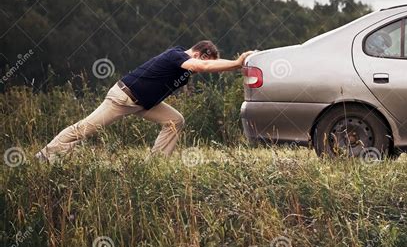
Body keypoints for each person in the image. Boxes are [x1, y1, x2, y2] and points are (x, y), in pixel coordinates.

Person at [36, 40, 254, 163]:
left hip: (143, 103)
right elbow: (201, 67)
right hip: (122, 98)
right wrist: (236, 63)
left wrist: (240, 65)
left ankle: (155, 164)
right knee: (85, 129)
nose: (204, 71)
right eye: (208, 63)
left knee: (175, 120)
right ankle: (45, 156)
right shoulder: (177, 56)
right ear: (199, 54)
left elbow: (204, 66)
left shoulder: (188, 63)